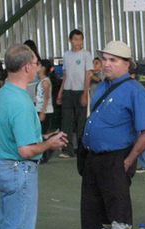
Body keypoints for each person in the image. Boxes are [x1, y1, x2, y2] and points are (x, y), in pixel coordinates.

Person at [0, 44, 68, 229]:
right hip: (18, 169)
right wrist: (50, 144)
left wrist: (43, 137)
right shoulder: (21, 102)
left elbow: (15, 138)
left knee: (8, 228)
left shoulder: (3, 95)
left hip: (3, 165)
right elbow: (25, 150)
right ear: (26, 67)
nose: (38, 66)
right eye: (35, 62)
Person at [71, 41, 145, 229]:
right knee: (90, 214)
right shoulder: (101, 87)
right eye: (104, 59)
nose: (106, 64)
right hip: (93, 159)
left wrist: (129, 161)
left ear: (127, 64)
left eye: (113, 60)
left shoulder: (136, 91)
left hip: (116, 159)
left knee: (116, 216)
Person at [56, 29, 93, 158]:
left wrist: (85, 93)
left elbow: (88, 75)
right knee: (66, 121)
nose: (78, 42)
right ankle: (67, 150)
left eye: (80, 39)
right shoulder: (66, 55)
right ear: (70, 40)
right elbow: (65, 75)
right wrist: (60, 92)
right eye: (75, 39)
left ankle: (82, 149)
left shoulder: (86, 55)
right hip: (68, 91)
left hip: (80, 91)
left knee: (81, 122)